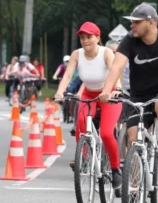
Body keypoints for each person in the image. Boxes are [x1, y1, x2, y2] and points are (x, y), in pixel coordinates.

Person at [98, 3, 158, 170]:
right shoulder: (129, 40)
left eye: (136, 22)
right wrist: (106, 92)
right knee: (133, 139)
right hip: (138, 94)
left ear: (151, 22)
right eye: (132, 22)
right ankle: (134, 188)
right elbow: (117, 66)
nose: (132, 26)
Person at [54, 21, 123, 189]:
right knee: (80, 124)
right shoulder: (77, 54)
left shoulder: (106, 53)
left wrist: (118, 90)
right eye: (82, 38)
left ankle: (115, 169)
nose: (85, 41)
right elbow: (68, 74)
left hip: (108, 94)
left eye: (89, 37)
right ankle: (85, 159)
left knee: (106, 133)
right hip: (88, 94)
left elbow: (115, 73)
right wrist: (60, 92)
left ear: (98, 38)